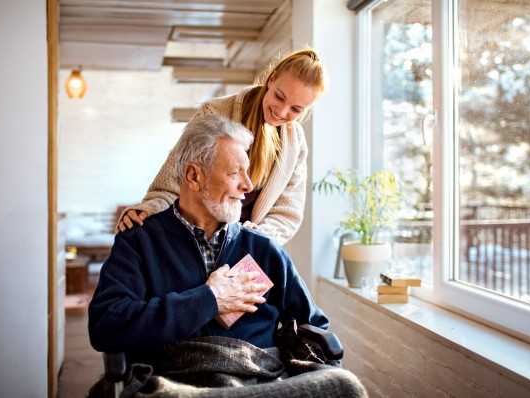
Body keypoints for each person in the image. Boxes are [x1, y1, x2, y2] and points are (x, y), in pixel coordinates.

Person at [88, 115, 366, 397]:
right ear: (194, 176)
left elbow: (314, 325)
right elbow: (105, 327)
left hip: (261, 382)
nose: (248, 185)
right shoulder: (139, 242)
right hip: (177, 382)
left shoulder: (263, 248)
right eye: (235, 173)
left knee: (344, 385)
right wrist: (209, 299)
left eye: (247, 173)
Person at [116, 48, 326, 245]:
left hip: (247, 248)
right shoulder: (215, 111)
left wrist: (261, 235)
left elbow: (288, 211)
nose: (282, 111)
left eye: (296, 109)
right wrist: (149, 209)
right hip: (194, 237)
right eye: (279, 97)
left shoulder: (295, 142)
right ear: (271, 79)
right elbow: (176, 176)